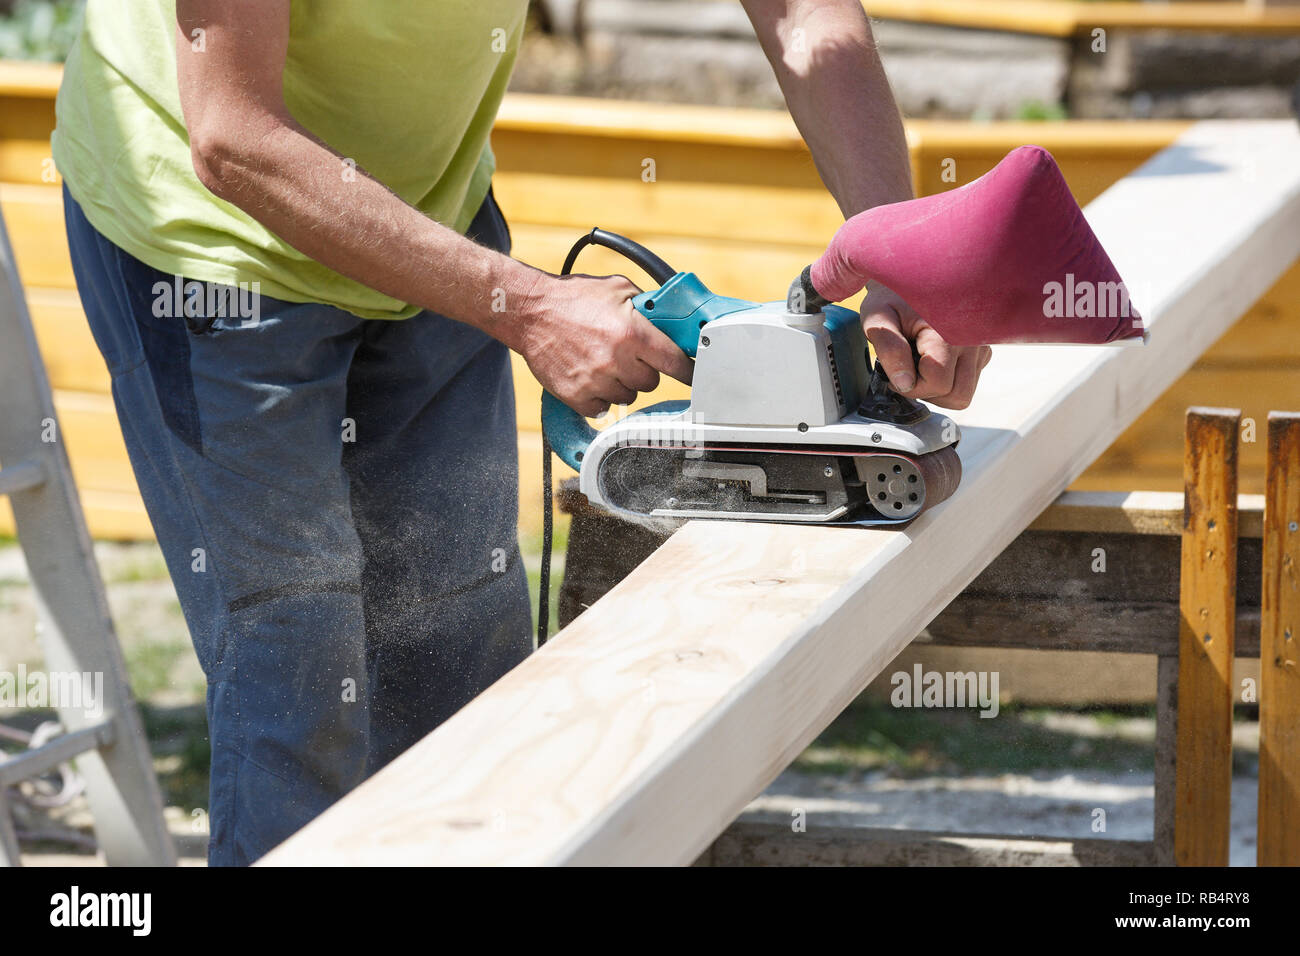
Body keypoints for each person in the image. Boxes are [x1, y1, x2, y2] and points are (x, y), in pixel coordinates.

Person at [52, 0, 991, 865]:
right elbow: (232, 137)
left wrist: (894, 248)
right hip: (210, 253)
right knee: (295, 680)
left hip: (426, 214)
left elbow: (805, 19)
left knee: (458, 660)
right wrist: (530, 308)